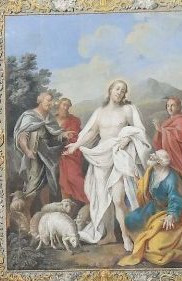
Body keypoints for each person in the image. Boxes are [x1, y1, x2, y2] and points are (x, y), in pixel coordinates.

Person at [64, 79, 152, 251]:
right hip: (101, 157)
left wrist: (128, 138)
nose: (119, 92)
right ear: (110, 90)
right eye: (117, 89)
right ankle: (110, 234)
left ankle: (126, 236)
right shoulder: (100, 112)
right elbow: (91, 132)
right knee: (103, 198)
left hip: (119, 156)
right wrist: (75, 146)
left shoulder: (128, 109)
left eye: (123, 90)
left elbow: (139, 130)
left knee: (118, 199)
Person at [116, 150, 182, 267]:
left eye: (155, 155)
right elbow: (144, 184)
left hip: (167, 213)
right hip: (153, 208)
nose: (151, 155)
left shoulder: (171, 179)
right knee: (131, 220)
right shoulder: (152, 171)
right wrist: (137, 180)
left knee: (157, 246)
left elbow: (177, 199)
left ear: (160, 162)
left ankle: (158, 242)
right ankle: (144, 240)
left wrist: (171, 215)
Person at [13, 92, 68, 214]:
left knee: (49, 183)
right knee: (33, 184)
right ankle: (26, 213)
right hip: (35, 154)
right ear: (40, 101)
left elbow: (53, 135)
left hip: (49, 155)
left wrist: (63, 135)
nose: (51, 103)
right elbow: (22, 136)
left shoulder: (50, 118)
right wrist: (27, 151)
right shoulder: (29, 116)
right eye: (48, 100)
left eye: (52, 100)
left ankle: (48, 213)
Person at [151, 97, 182, 192]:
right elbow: (159, 143)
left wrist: (161, 130)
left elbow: (181, 136)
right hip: (168, 156)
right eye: (168, 105)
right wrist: (160, 131)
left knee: (181, 181)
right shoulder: (167, 122)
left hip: (179, 157)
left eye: (173, 105)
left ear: (179, 107)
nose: (170, 108)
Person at [55, 97, 88, 204]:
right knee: (62, 181)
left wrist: (66, 141)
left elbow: (75, 137)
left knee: (74, 177)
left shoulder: (74, 120)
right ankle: (66, 204)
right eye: (64, 105)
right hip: (54, 152)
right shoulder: (51, 120)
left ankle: (90, 199)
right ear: (59, 105)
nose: (66, 107)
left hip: (70, 153)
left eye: (68, 106)